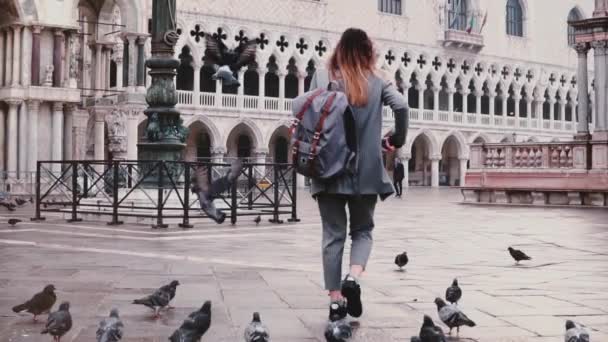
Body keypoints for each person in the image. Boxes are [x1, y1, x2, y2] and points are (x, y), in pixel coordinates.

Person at [308, 28, 409, 322]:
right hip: (365, 170)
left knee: (332, 236)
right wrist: (397, 138)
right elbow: (401, 105)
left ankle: (336, 301)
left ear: (339, 49)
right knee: (363, 231)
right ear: (367, 51)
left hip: (328, 168)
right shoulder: (376, 80)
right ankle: (352, 277)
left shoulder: (321, 76)